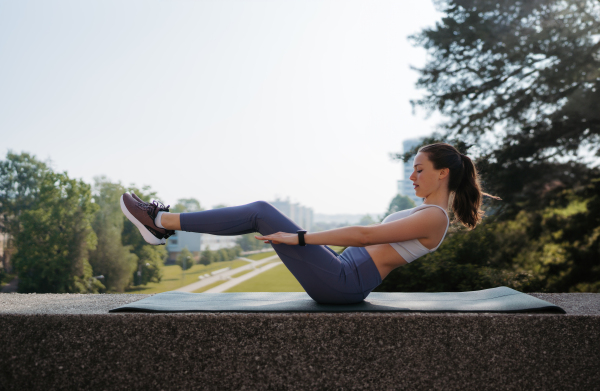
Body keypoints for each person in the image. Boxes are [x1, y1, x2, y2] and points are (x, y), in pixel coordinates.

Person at [120, 142, 501, 304]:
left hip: (345, 283)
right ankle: (161, 223)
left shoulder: (434, 218)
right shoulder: (427, 213)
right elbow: (364, 240)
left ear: (443, 174)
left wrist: (300, 238)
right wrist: (309, 242)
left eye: (419, 170)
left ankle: (160, 222)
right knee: (260, 213)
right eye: (412, 170)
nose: (412, 177)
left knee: (261, 211)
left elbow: (365, 235)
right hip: (344, 270)